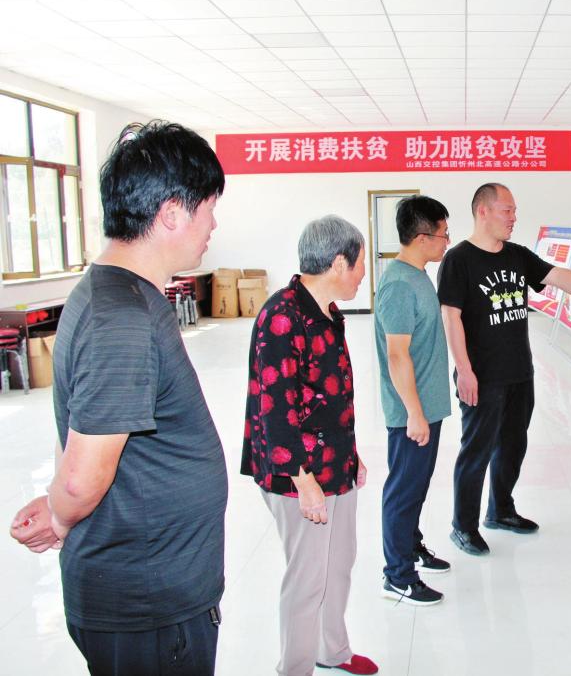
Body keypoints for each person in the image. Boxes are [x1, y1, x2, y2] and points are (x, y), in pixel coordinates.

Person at [8, 121, 227, 675]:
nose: (213, 224)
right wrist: (60, 512)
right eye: (209, 208)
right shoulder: (122, 317)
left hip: (150, 592)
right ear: (172, 213)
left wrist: (58, 502)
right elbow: (81, 481)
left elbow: (81, 428)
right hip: (148, 604)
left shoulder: (115, 293)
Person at [437, 182, 571, 555]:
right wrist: (464, 370)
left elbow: (558, 276)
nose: (514, 217)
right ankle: (462, 526)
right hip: (481, 376)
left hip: (519, 372)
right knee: (476, 450)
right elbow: (451, 317)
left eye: (514, 211)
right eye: (507, 210)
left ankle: (500, 510)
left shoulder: (516, 255)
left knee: (513, 446)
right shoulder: (459, 259)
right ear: (483, 211)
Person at [241, 215, 377, 676]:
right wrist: (304, 482)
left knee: (338, 564)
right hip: (297, 472)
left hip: (334, 462)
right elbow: (275, 408)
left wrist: (351, 453)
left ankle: (331, 650)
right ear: (339, 263)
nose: (363, 273)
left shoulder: (328, 313)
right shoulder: (283, 317)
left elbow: (329, 396)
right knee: (307, 577)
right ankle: (295, 668)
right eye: (360, 263)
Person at [374, 195, 452, 606]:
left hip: (426, 407)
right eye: (443, 234)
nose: (446, 241)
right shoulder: (400, 285)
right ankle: (398, 576)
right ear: (422, 237)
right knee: (403, 491)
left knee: (416, 486)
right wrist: (414, 414)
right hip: (412, 413)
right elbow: (397, 355)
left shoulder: (418, 275)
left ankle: (412, 546)